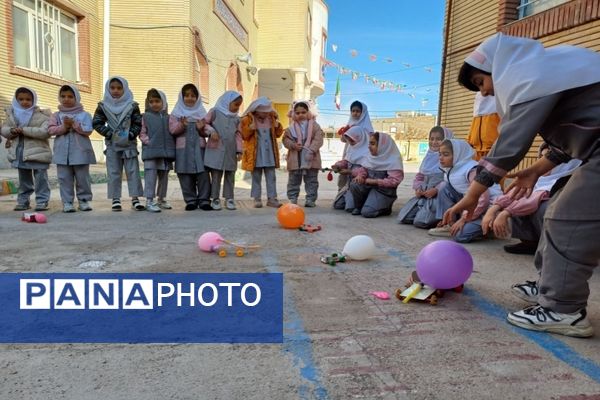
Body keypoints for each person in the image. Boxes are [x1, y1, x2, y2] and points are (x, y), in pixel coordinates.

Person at [447, 32, 600, 337]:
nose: (487, 93)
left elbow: (509, 146)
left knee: (566, 219)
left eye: (481, 83)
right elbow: (578, 134)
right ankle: (550, 287)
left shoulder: (531, 75)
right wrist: (536, 170)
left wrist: (472, 195)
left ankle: (563, 309)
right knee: (554, 209)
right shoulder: (551, 73)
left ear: (498, 65)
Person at [482, 144, 581, 253]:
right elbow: (514, 194)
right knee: (517, 201)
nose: (541, 163)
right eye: (540, 158)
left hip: (568, 220)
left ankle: (550, 247)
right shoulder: (541, 178)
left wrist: (505, 213)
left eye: (547, 160)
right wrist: (494, 208)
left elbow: (531, 200)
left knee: (543, 207)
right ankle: (529, 243)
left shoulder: (563, 179)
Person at [428, 139, 500, 242]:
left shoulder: (472, 170)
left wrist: (464, 219)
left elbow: (483, 199)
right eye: (440, 154)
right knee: (445, 187)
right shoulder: (452, 169)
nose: (441, 158)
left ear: (458, 154)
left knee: (459, 235)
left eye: (446, 154)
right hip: (473, 204)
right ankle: (448, 222)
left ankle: (489, 228)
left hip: (488, 208)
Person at [92, 76, 145, 211]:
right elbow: (97, 123)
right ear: (108, 89)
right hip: (112, 144)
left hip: (129, 144)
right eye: (112, 88)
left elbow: (138, 123)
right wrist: (110, 134)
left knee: (133, 171)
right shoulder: (103, 106)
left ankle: (135, 198)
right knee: (114, 171)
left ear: (125, 89)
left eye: (119, 88)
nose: (115, 91)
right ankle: (115, 199)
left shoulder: (132, 106)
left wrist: (130, 134)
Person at [1, 87, 51, 211]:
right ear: (16, 100)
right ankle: (23, 201)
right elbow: (4, 129)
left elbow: (45, 132)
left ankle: (42, 201)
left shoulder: (42, 115)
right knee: (24, 180)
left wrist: (24, 130)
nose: (24, 102)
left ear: (34, 100)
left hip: (38, 152)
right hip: (19, 152)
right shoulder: (11, 114)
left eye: (28, 99)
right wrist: (12, 131)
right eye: (21, 99)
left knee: (41, 178)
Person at [48, 84, 96, 212]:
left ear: (77, 98)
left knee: (82, 178)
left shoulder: (84, 115)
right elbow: (51, 130)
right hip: (62, 154)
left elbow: (88, 130)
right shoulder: (56, 115)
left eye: (70, 96)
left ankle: (84, 201)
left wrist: (74, 124)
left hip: (80, 153)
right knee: (64, 178)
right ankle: (67, 202)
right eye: (63, 96)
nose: (66, 99)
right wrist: (64, 127)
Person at [397, 126, 453, 228]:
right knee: (404, 217)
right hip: (424, 196)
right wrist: (418, 188)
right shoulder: (428, 157)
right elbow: (420, 176)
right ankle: (424, 212)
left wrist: (436, 190)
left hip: (438, 198)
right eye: (431, 139)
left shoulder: (449, 158)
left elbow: (449, 180)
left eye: (439, 139)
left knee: (421, 222)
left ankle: (439, 217)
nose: (434, 142)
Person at [169, 84, 211, 211]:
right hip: (183, 149)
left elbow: (207, 130)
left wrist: (201, 129)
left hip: (200, 148)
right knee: (184, 174)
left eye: (193, 95)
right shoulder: (176, 114)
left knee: (203, 174)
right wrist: (182, 125)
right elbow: (172, 130)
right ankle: (190, 200)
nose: (190, 98)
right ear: (182, 97)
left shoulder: (202, 113)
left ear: (197, 98)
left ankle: (204, 200)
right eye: (186, 95)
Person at [240, 97, 283, 208]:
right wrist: (250, 128)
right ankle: (257, 199)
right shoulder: (247, 119)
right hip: (255, 153)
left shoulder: (272, 118)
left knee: (271, 176)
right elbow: (244, 135)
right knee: (256, 177)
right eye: (262, 112)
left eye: (267, 112)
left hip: (269, 153)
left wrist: (278, 126)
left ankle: (272, 199)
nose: (265, 114)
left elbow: (278, 134)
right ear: (256, 109)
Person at [204, 91, 243, 211]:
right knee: (216, 175)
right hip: (216, 149)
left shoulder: (236, 118)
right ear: (227, 102)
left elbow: (238, 135)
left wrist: (239, 150)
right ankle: (215, 198)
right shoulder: (214, 112)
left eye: (239, 105)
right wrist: (211, 132)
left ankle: (229, 198)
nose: (237, 107)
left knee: (230, 175)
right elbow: (204, 124)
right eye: (235, 104)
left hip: (230, 150)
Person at [349, 132, 404, 218]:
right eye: (369, 143)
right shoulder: (370, 157)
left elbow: (394, 181)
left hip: (383, 192)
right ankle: (360, 206)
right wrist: (360, 175)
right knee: (355, 184)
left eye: (373, 144)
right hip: (370, 189)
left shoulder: (392, 160)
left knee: (367, 212)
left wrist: (375, 181)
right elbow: (364, 169)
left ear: (383, 145)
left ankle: (385, 207)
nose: (369, 146)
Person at [331, 100, 372, 211]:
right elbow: (343, 140)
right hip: (351, 150)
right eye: (353, 111)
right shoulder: (350, 123)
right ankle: (342, 193)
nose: (355, 113)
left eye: (358, 111)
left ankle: (359, 200)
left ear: (363, 112)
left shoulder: (367, 127)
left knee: (356, 177)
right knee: (343, 175)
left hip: (363, 154)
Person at [282, 100, 324, 207]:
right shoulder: (290, 128)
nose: (301, 115)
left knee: (311, 181)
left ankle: (310, 199)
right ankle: (292, 198)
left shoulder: (315, 126)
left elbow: (318, 139)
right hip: (295, 159)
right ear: (293, 114)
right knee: (293, 181)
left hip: (311, 158)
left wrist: (311, 149)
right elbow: (285, 140)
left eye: (303, 112)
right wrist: (293, 145)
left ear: (308, 113)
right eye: (297, 113)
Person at [140, 89, 175, 212]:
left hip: (165, 153)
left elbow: (173, 131)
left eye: (157, 101)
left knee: (164, 177)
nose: (154, 104)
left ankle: (161, 199)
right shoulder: (145, 117)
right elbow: (142, 132)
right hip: (151, 152)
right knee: (151, 176)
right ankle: (149, 200)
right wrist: (148, 142)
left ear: (163, 102)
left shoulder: (169, 118)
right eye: (151, 101)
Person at [467, 92, 500, 161]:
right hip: (477, 152)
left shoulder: (496, 110)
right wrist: (469, 141)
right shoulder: (477, 114)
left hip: (494, 151)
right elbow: (474, 125)